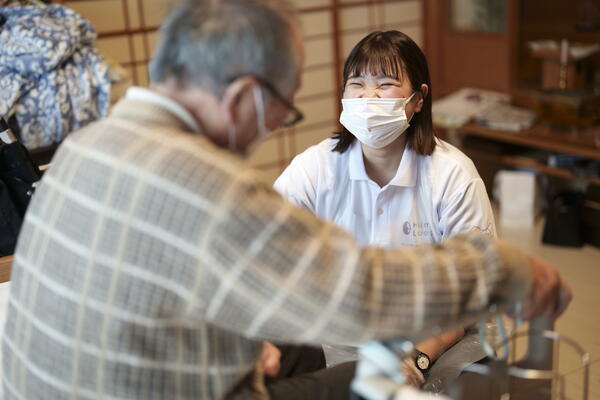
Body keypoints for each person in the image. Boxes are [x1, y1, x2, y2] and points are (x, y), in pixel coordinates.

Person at [1, 1, 571, 400]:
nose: (276, 127)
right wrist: (502, 266)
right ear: (245, 95)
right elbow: (357, 290)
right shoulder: (207, 185)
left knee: (337, 358)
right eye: (283, 110)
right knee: (371, 383)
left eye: (385, 86)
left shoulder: (89, 146)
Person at [274, 30, 493, 385]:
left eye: (386, 84)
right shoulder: (313, 168)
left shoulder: (453, 176)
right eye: (356, 83)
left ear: (419, 99)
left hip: (432, 338)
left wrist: (416, 360)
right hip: (332, 333)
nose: (368, 97)